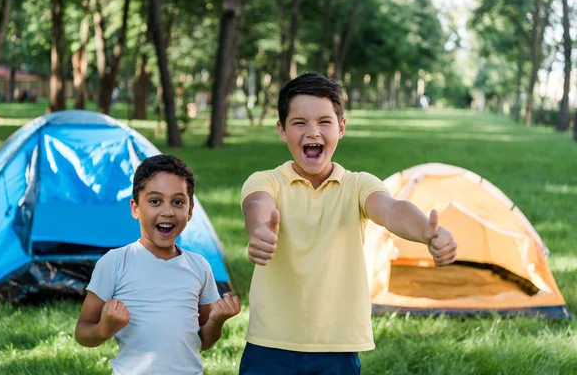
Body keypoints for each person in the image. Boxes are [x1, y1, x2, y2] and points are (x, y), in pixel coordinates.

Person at [239, 72, 457, 374]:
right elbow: (256, 205)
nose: (312, 132)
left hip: (337, 347)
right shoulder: (266, 181)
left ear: (341, 128)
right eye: (299, 123)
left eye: (324, 122)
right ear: (282, 130)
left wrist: (426, 233)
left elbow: (392, 210)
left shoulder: (358, 185)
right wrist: (259, 229)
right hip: (269, 345)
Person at [75, 154, 240, 375]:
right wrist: (105, 328)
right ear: (135, 208)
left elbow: (204, 341)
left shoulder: (199, 267)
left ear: (190, 211)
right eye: (155, 201)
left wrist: (217, 320)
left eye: (178, 202)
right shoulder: (115, 262)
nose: (168, 211)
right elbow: (82, 332)